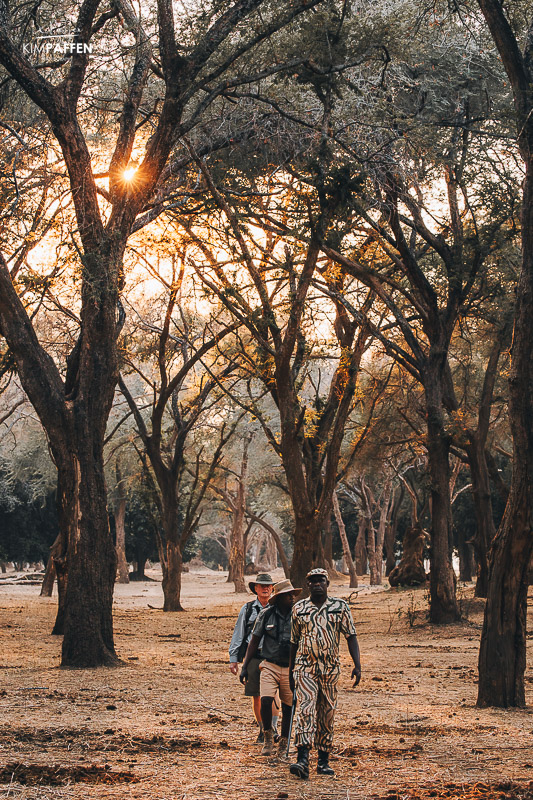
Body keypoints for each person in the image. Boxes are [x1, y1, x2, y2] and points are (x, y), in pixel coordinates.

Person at [288, 567, 361, 780]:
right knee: (305, 709)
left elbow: (351, 636)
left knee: (327, 713)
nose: (317, 584)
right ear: (307, 584)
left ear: (328, 583)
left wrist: (357, 665)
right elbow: (293, 641)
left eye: (321, 580)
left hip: (330, 669)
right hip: (304, 667)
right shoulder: (299, 608)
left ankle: (323, 761)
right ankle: (302, 759)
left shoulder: (340, 607)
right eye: (312, 581)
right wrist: (292, 670)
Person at [239, 579, 301, 757]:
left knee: (289, 706)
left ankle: (284, 740)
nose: (292, 598)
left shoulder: (298, 615)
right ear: (279, 597)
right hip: (269, 665)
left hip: (290, 667)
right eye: (288, 596)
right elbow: (254, 640)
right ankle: (267, 735)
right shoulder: (266, 614)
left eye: (293, 595)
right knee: (265, 700)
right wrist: (244, 666)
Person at [229, 573, 278, 742]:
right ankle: (262, 729)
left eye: (268, 585)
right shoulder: (248, 609)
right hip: (254, 656)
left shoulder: (278, 608)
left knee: (272, 695)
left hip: (273, 657)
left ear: (272, 588)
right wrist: (233, 658)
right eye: (261, 586)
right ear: (255, 588)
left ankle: (274, 728)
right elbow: (239, 633)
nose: (265, 588)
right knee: (256, 695)